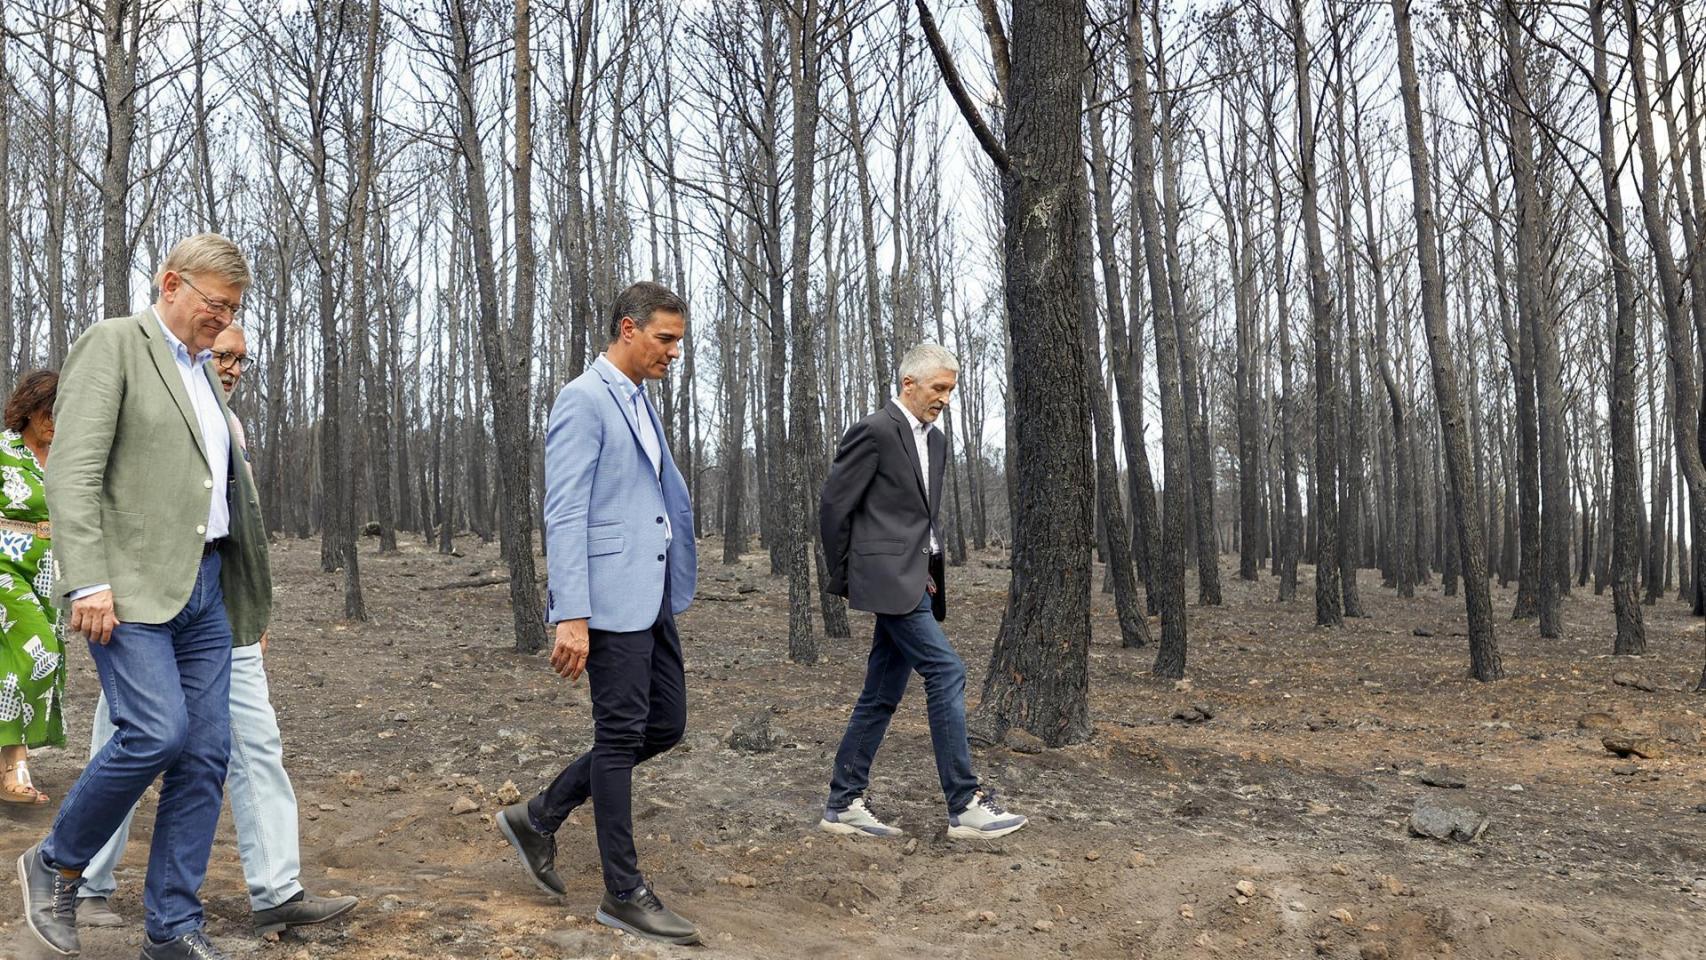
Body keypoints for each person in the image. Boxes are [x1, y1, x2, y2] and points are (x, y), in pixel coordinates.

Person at [17, 233, 273, 960]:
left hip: (206, 587)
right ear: (170, 284)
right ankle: (53, 861)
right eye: (214, 306)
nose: (223, 324)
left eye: (233, 312)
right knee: (156, 732)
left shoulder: (201, 371)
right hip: (129, 588)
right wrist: (88, 579)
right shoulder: (115, 344)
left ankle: (172, 928)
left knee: (207, 754)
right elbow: (72, 470)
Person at [75, 323, 358, 939]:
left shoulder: (226, 418)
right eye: (223, 352)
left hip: (218, 610)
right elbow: (93, 486)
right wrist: (96, 584)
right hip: (145, 608)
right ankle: (84, 880)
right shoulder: (147, 388)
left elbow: (238, 526)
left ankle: (278, 889)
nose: (230, 366)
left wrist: (252, 610)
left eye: (241, 360)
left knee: (253, 742)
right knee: (128, 740)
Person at [496, 280, 699, 946]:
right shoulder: (584, 399)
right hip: (608, 600)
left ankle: (541, 815)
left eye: (678, 341)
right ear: (627, 329)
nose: (674, 352)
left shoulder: (639, 399)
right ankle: (623, 893)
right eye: (665, 339)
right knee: (619, 738)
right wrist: (571, 614)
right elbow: (566, 511)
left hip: (651, 594)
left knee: (665, 723)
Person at [816, 343, 1027, 842]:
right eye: (939, 388)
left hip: (917, 577)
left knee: (881, 694)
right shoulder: (874, 431)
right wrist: (851, 575)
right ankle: (965, 803)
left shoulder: (936, 442)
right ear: (908, 383)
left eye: (951, 390)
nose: (946, 399)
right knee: (946, 669)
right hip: (884, 578)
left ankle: (843, 803)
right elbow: (834, 507)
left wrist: (925, 567)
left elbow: (919, 519)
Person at [0, 370, 67, 805]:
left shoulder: (68, 457)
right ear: (29, 407)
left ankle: (10, 759)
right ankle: (13, 768)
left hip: (50, 570)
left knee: (24, 662)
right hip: (5, 565)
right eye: (47, 409)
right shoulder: (4, 452)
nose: (53, 420)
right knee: (36, 648)